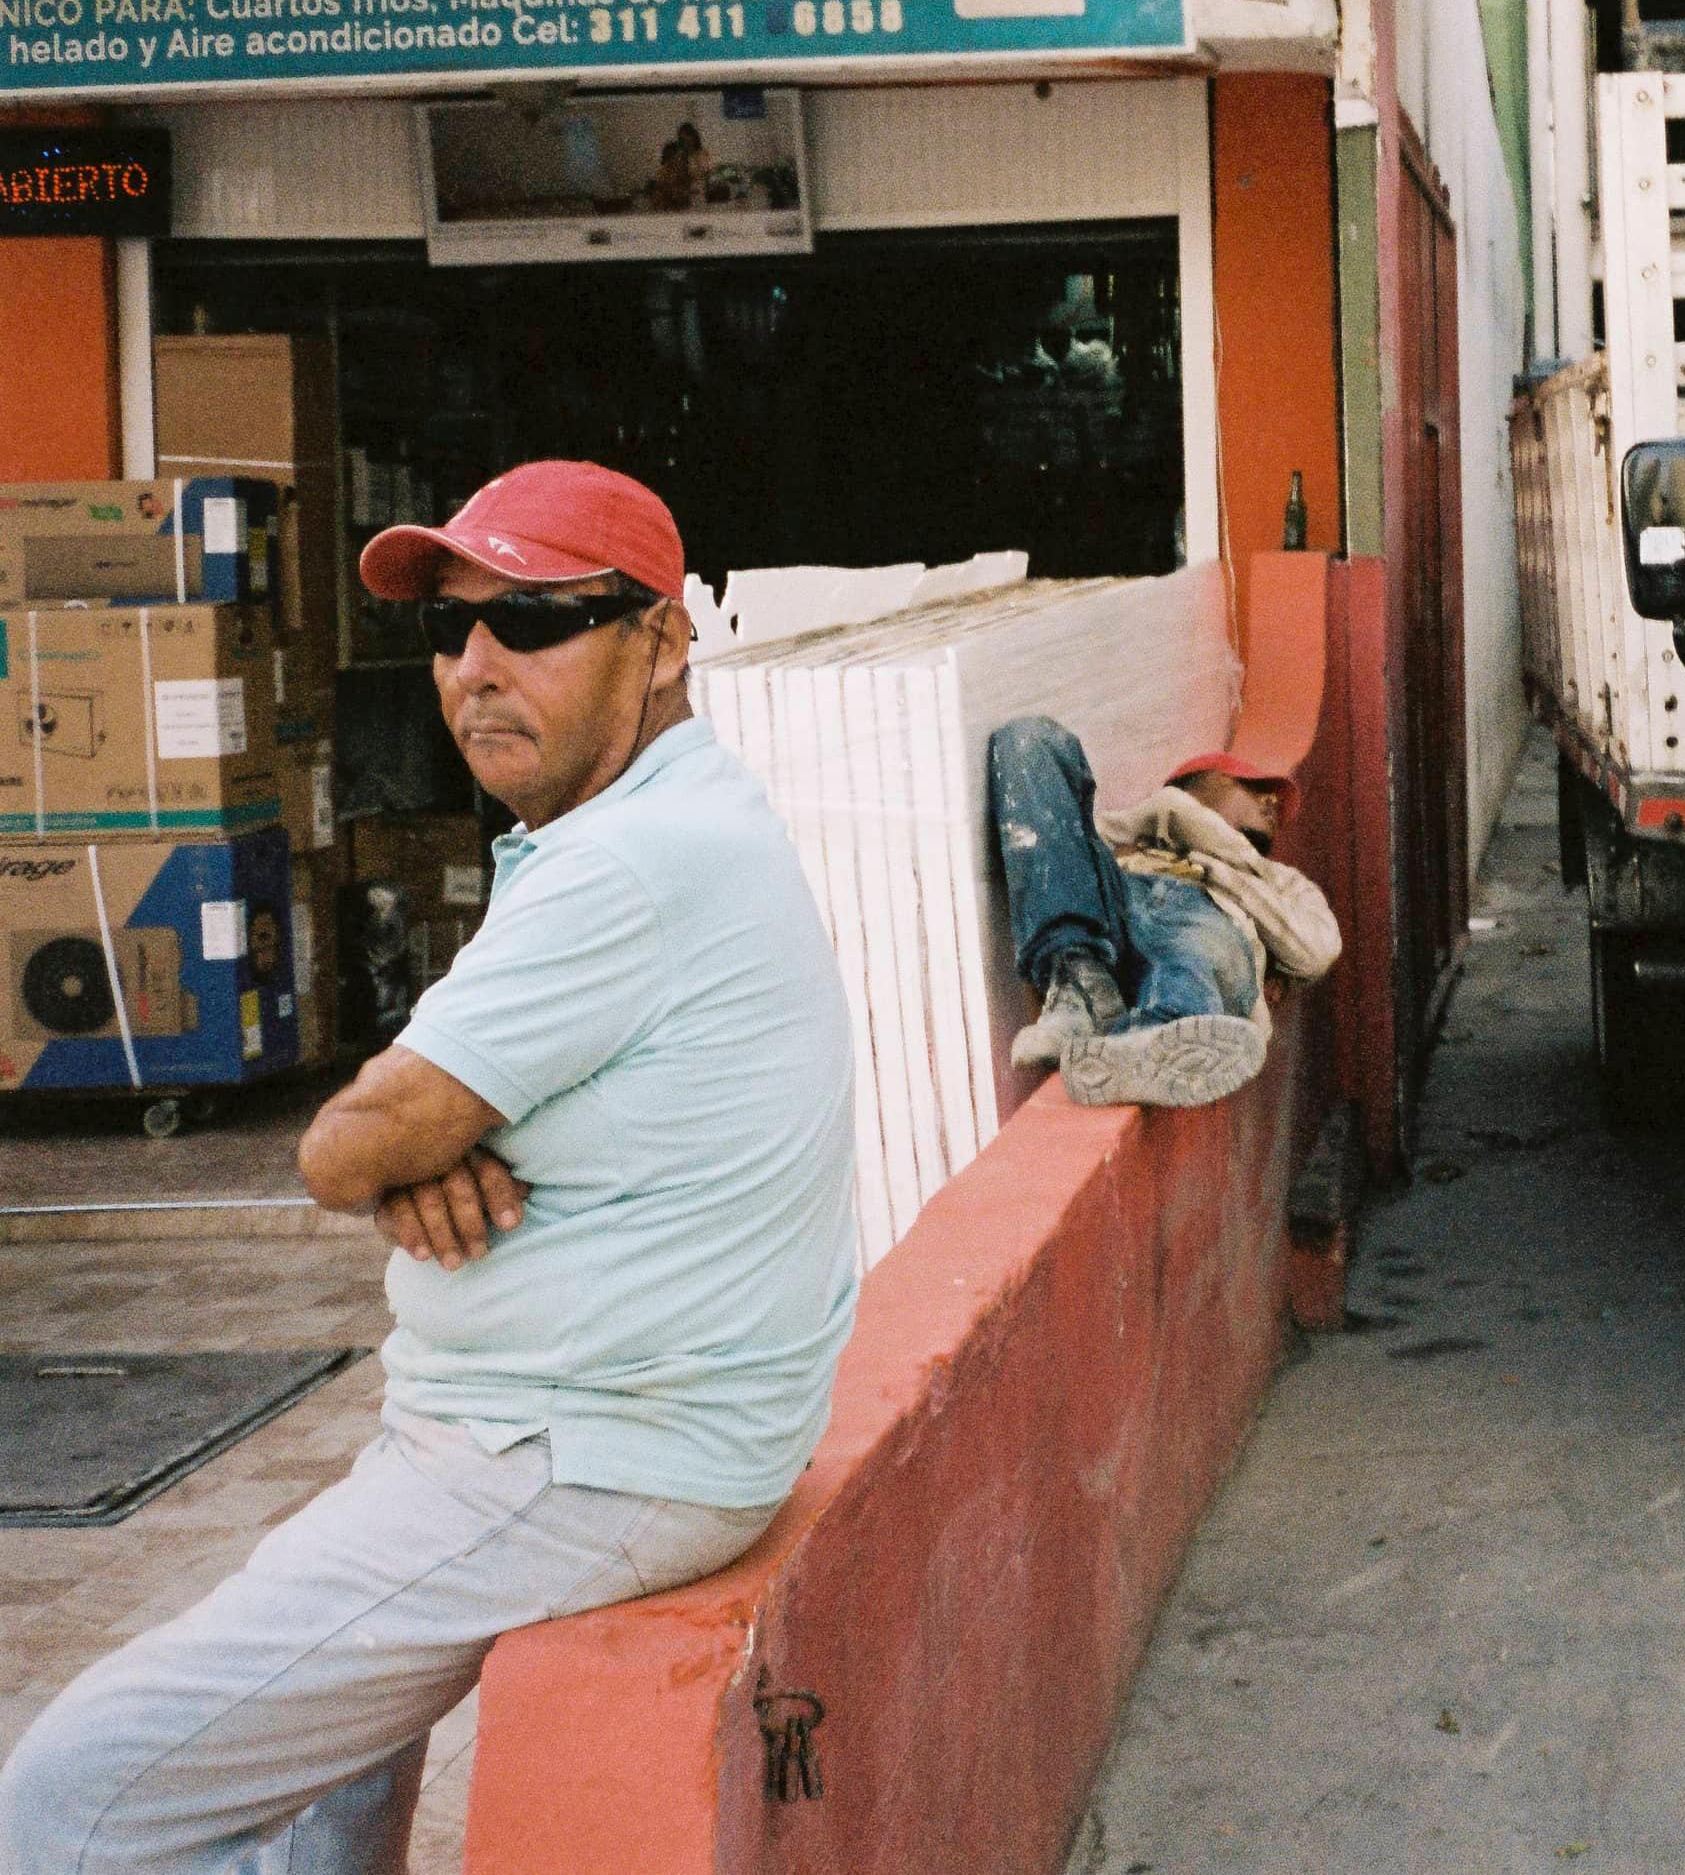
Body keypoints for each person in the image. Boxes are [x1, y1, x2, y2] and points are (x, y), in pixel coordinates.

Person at [0, 462, 857, 1875]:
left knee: (65, 1803)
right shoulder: (647, 828)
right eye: (450, 631)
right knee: (320, 1794)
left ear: (661, 639)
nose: (474, 667)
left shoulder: (628, 865)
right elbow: (404, 1133)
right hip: (575, 1437)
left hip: (572, 1460)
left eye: (532, 621)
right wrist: (423, 1150)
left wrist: (403, 1146)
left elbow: (344, 1145)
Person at [989, 720, 1340, 1108]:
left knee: (1194, 931)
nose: (1272, 804)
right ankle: (1082, 990)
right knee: (1029, 739)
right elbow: (1058, 854)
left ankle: (1166, 1028)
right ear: (1193, 788)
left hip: (1212, 931)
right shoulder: (1128, 843)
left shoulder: (1278, 880)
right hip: (1123, 912)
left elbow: (1316, 949)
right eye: (1253, 788)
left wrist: (1216, 868)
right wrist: (1156, 819)